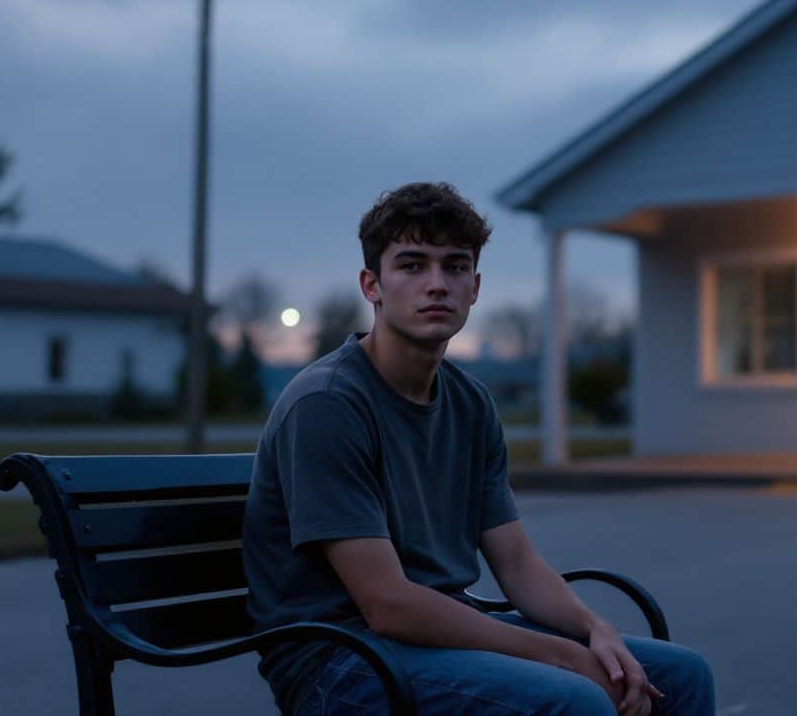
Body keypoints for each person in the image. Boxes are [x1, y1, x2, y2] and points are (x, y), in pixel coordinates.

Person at [242, 182, 715, 715]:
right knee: (575, 700)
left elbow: (516, 564)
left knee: (681, 675)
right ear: (372, 285)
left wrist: (594, 630)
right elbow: (386, 604)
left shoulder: (471, 404)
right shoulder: (328, 404)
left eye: (456, 267)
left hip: (437, 634)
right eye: (413, 266)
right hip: (339, 660)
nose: (437, 285)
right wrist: (559, 656)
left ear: (476, 286)